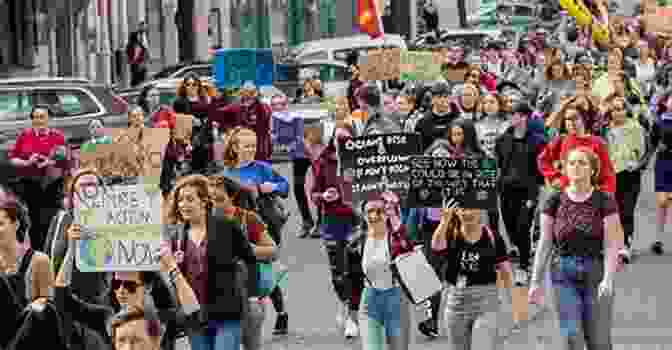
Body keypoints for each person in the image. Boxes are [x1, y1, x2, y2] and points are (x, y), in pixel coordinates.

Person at [529, 147, 623, 350]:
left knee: (598, 340)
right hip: (563, 271)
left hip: (595, 270)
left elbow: (612, 243)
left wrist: (608, 278)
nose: (576, 167)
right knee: (572, 336)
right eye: (572, 163)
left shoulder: (604, 201)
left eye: (582, 163)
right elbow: (544, 243)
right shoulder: (554, 200)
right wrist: (535, 281)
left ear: (592, 170)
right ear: (564, 169)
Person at [162, 174, 257, 350]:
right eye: (180, 200)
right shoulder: (177, 237)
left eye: (190, 199)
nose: (183, 204)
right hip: (194, 316)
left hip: (226, 313)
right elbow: (176, 279)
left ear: (204, 201)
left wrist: (252, 295)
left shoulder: (226, 228)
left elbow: (250, 260)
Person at [217, 127, 290, 335]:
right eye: (246, 146)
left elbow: (284, 187)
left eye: (253, 146)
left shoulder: (262, 168)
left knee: (264, 270)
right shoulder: (226, 173)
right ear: (234, 147)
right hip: (236, 227)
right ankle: (245, 318)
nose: (251, 150)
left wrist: (272, 187)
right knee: (240, 272)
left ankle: (281, 312)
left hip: (263, 226)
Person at [208, 175, 277, 350]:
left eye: (219, 199)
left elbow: (272, 251)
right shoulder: (203, 221)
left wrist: (244, 249)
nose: (214, 205)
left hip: (248, 293)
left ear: (232, 197)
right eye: (210, 200)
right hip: (215, 298)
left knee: (251, 344)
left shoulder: (248, 218)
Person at [431, 205, 512, 350]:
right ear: (456, 211)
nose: (467, 213)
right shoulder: (451, 234)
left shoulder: (493, 237)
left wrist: (509, 305)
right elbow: (436, 246)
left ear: (481, 210)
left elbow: (505, 271)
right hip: (456, 302)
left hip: (486, 302)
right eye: (462, 209)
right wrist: (444, 221)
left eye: (472, 208)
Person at [346, 192, 414, 350]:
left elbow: (407, 248)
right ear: (363, 214)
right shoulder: (357, 241)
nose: (374, 216)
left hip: (395, 299)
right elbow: (353, 280)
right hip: (370, 300)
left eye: (380, 211)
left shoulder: (395, 237)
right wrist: (352, 314)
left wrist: (395, 217)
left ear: (387, 213)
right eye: (369, 211)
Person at [495, 102, 546, 285]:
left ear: (524, 117)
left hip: (528, 191)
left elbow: (542, 167)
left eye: (514, 114)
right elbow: (499, 164)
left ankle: (523, 266)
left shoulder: (538, 141)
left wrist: (539, 189)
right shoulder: (502, 140)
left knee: (523, 225)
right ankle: (523, 248)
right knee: (510, 226)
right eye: (509, 114)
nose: (510, 117)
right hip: (506, 190)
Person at [8, 105, 69, 252]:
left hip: (52, 184)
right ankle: (37, 254)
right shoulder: (25, 136)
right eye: (35, 117)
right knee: (34, 221)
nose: (38, 120)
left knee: (49, 220)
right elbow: (13, 159)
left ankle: (50, 251)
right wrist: (28, 162)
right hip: (31, 184)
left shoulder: (57, 136)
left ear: (49, 119)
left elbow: (66, 160)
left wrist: (50, 162)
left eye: (42, 117)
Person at [601, 94, 645, 261]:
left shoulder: (635, 127)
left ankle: (626, 244)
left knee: (627, 209)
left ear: (626, 110)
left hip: (629, 173)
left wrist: (636, 163)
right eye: (614, 110)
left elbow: (641, 151)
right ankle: (614, 243)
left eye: (620, 109)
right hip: (611, 173)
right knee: (613, 210)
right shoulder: (606, 128)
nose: (617, 113)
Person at [270, 94, 314, 238]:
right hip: (298, 157)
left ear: (286, 104)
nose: (278, 107)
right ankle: (307, 221)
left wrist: (289, 145)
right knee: (298, 188)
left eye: (281, 104)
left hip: (311, 154)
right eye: (275, 104)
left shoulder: (296, 117)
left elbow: (299, 136)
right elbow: (276, 137)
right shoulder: (275, 119)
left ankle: (321, 223)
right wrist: (279, 142)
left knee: (319, 186)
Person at [209, 82, 273, 162]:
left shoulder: (263, 107)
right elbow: (218, 115)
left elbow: (266, 119)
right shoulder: (236, 106)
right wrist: (230, 130)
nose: (249, 95)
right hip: (242, 149)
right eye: (246, 92)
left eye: (252, 92)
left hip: (259, 150)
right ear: (242, 93)